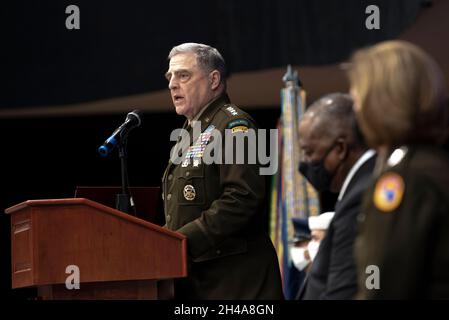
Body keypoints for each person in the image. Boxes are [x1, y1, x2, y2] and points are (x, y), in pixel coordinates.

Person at [161, 42, 283, 299]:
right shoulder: (190, 131)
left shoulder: (236, 126)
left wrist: (179, 243)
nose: (172, 84)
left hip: (238, 286)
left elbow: (242, 198)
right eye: (170, 77)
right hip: (202, 281)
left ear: (214, 79)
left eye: (183, 75)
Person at [347, 40, 449, 299]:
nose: (355, 107)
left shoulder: (403, 178)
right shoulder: (434, 164)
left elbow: (382, 287)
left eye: (358, 95)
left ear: (382, 102)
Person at [296, 93, 376, 299]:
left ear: (340, 148)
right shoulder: (357, 187)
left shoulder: (362, 194)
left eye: (309, 151)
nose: (304, 162)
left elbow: (346, 287)